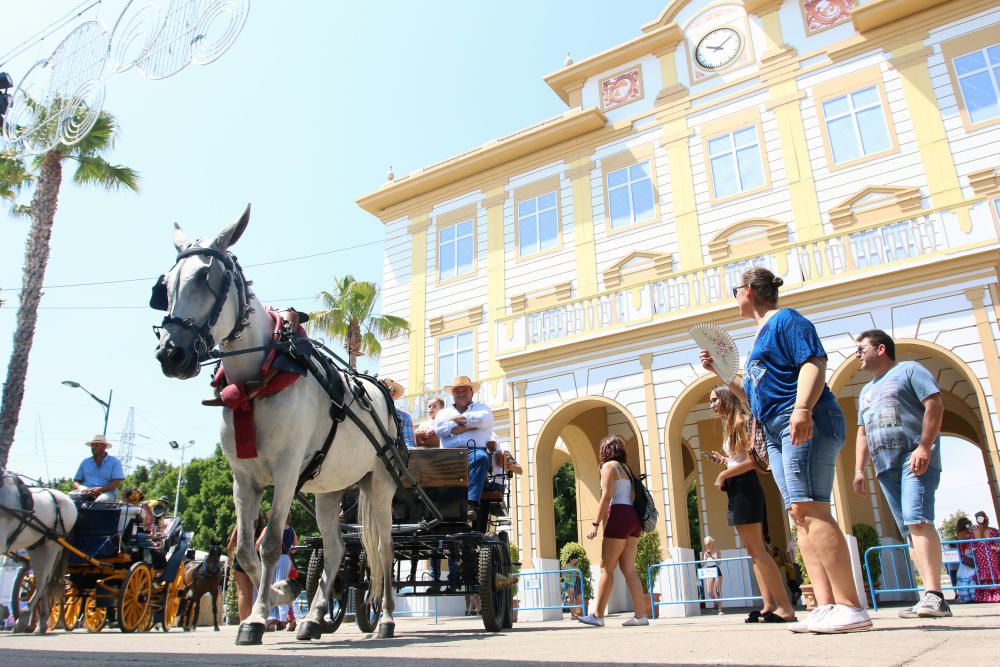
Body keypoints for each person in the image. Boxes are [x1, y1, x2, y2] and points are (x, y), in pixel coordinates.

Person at [700, 266, 871, 634]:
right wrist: (721, 372)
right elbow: (753, 398)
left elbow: (814, 361)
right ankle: (825, 605)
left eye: (735, 290)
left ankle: (850, 605)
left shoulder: (786, 320)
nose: (734, 297)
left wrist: (803, 408)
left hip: (800, 418)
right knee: (798, 512)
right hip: (773, 425)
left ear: (748, 290)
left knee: (811, 508)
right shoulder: (760, 336)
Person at [851, 329, 950, 619]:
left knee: (918, 520)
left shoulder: (909, 370)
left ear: (881, 349)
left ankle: (935, 596)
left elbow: (934, 404)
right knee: (909, 529)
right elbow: (862, 432)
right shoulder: (866, 391)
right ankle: (928, 597)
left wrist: (924, 446)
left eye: (862, 348)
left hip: (913, 457)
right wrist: (859, 469)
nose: (858, 354)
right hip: (885, 466)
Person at [706, 385, 796, 622]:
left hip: (746, 487)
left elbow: (755, 461)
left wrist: (724, 474)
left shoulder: (743, 421)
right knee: (752, 551)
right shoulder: (731, 425)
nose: (712, 404)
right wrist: (726, 463)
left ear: (726, 398)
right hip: (737, 487)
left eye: (715, 399)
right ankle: (768, 605)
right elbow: (739, 459)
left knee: (758, 550)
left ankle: (785, 608)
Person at [577, 435, 648, 627]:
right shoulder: (626, 469)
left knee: (606, 567)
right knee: (629, 569)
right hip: (634, 518)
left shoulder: (609, 467)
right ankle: (641, 616)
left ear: (604, 451)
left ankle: (598, 615)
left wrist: (595, 524)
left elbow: (606, 496)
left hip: (619, 515)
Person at [433, 375, 494, 524]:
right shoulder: (442, 413)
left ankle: (471, 504)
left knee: (481, 457)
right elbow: (440, 430)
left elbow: (483, 419)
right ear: (452, 394)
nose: (460, 393)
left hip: (474, 452)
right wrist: (471, 424)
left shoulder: (483, 408)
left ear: (472, 392)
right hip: (449, 455)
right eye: (457, 391)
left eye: (464, 390)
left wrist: (456, 423)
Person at [227, 511, 267, 622]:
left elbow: (230, 545)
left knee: (242, 592)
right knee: (250, 593)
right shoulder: (261, 527)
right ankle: (249, 620)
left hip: (241, 557)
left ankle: (242, 621)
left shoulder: (241, 523)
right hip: (255, 557)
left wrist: (230, 560)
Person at [263, 512, 298, 631]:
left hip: (273, 558)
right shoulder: (291, 530)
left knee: (272, 586)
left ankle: (274, 618)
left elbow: (258, 545)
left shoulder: (270, 528)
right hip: (286, 558)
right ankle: (287, 617)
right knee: (283, 586)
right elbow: (295, 547)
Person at [71, 435, 125, 502]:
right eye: (92, 445)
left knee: (100, 501)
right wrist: (82, 488)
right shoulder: (85, 462)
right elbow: (76, 481)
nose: (93, 447)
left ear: (104, 446)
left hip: (107, 493)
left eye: (96, 445)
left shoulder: (115, 462)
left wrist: (100, 489)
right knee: (68, 499)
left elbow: (116, 483)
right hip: (86, 491)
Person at [971, 510, 1000, 602]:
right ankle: (996, 595)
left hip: (980, 555)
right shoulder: (992, 531)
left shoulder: (973, 532)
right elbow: (996, 545)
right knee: (993, 572)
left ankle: (984, 596)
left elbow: (972, 546)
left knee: (983, 573)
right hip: (991, 554)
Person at [384, 378, 416, 448]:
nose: (386, 392)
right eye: (383, 389)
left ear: (393, 393)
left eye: (389, 389)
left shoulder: (404, 417)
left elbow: (409, 443)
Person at [954, 517, 977, 603]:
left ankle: (965, 596)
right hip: (970, 556)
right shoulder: (969, 535)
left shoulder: (958, 536)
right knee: (972, 575)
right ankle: (974, 595)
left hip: (963, 558)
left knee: (963, 576)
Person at [701, 536, 723, 615]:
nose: (708, 546)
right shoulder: (705, 552)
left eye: (709, 544)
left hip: (716, 569)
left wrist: (712, 556)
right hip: (709, 570)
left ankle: (720, 609)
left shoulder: (717, 551)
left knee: (718, 590)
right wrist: (706, 558)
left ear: (712, 543)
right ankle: (715, 602)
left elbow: (719, 562)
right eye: (706, 544)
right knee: (709, 591)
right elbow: (702, 564)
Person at [562, 554, 583, 619]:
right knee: (571, 600)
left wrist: (578, 575)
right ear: (570, 559)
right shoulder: (566, 566)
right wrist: (572, 574)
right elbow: (563, 574)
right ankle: (573, 615)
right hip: (568, 583)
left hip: (576, 583)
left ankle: (577, 614)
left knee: (578, 600)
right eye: (574, 561)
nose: (575, 562)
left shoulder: (576, 566)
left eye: (576, 561)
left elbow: (578, 573)